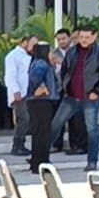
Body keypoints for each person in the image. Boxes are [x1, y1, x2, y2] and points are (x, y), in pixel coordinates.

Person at [50, 25, 99, 172]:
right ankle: (40, 157)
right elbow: (64, 70)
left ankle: (92, 162)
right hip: (70, 97)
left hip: (90, 98)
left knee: (92, 129)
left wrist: (98, 90)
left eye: (87, 37)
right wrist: (65, 87)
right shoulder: (72, 51)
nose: (84, 40)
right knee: (55, 125)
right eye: (81, 37)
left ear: (94, 36)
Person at [25, 43, 62, 174]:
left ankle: (38, 162)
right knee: (42, 133)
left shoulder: (41, 63)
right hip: (40, 102)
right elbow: (36, 78)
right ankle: (41, 163)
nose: (52, 54)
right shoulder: (41, 64)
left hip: (40, 102)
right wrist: (41, 88)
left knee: (40, 133)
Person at [4, 31, 38, 158]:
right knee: (23, 119)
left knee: (26, 119)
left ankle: (20, 144)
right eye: (33, 44)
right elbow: (10, 75)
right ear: (25, 42)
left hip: (28, 93)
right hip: (19, 93)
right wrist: (15, 90)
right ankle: (17, 145)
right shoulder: (13, 56)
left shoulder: (29, 56)